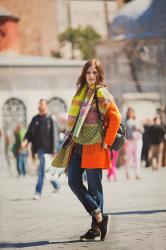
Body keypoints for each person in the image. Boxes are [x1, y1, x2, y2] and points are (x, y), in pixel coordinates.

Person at [52, 58, 121, 241]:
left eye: (94, 72)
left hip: (96, 145)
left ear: (99, 75)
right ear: (84, 74)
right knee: (73, 181)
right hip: (77, 144)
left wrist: (107, 142)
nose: (91, 75)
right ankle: (99, 217)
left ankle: (95, 229)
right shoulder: (81, 92)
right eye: (88, 72)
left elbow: (116, 118)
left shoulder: (101, 92)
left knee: (94, 187)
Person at [22, 99, 60, 199]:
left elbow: (55, 135)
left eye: (42, 104)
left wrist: (54, 150)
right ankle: (56, 185)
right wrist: (25, 140)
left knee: (42, 171)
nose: (40, 106)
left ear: (46, 106)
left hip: (49, 150)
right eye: (39, 104)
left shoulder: (51, 118)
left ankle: (38, 192)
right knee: (45, 171)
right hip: (39, 149)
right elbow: (29, 132)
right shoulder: (35, 119)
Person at [124, 107, 143, 180]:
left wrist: (139, 128)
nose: (130, 114)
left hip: (138, 140)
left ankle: (137, 174)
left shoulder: (138, 120)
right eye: (129, 112)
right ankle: (127, 172)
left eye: (131, 112)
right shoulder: (126, 121)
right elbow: (124, 132)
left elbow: (142, 130)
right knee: (129, 158)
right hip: (130, 141)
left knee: (137, 157)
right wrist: (125, 140)